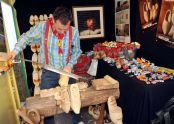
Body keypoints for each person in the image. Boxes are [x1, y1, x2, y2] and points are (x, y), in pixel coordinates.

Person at [8, 6, 82, 124]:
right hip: (49, 72)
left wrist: (70, 65)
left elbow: (77, 51)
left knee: (74, 101)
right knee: (46, 105)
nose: (63, 32)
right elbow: (25, 37)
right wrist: (14, 51)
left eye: (65, 29)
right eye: (59, 29)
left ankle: (76, 122)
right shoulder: (43, 27)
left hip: (67, 72)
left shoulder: (74, 32)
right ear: (53, 20)